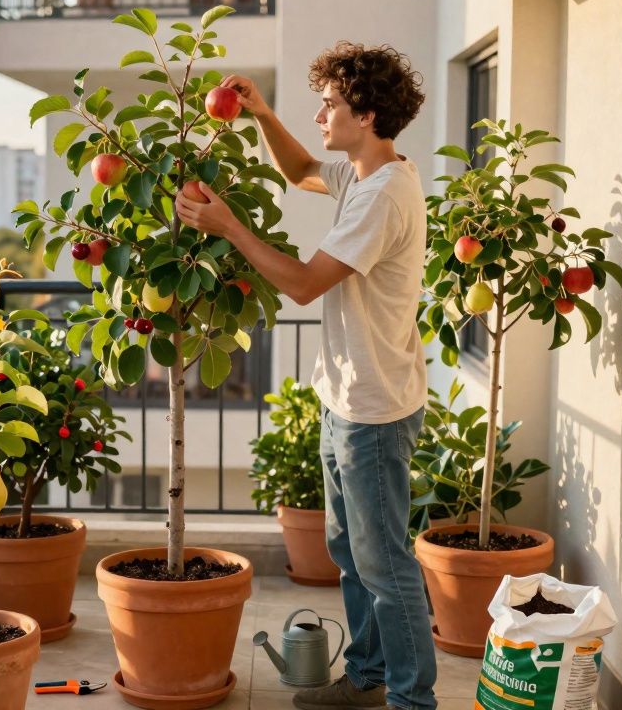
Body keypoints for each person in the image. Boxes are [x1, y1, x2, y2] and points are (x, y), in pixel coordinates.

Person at [174, 42, 436, 710]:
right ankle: (370, 679)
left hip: (373, 412)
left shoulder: (382, 197)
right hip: (349, 396)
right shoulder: (367, 173)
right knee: (349, 552)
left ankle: (413, 701)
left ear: (367, 115)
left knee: (386, 566)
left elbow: (301, 285)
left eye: (330, 106)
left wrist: (230, 226)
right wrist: (260, 114)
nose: (320, 115)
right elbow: (299, 173)